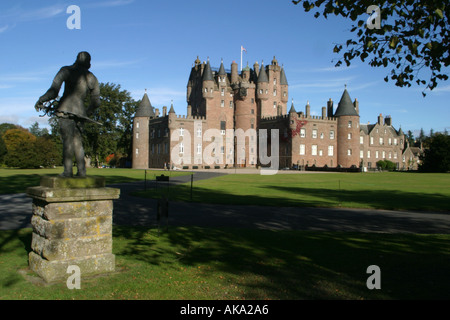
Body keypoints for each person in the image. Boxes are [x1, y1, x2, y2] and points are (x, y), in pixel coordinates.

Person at [35, 52, 101, 177]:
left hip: (65, 109)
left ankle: (68, 171)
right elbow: (96, 102)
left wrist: (41, 99)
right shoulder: (92, 78)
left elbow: (54, 91)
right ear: (88, 62)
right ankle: (82, 171)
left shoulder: (66, 70)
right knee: (78, 142)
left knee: (67, 141)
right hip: (80, 112)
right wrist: (87, 112)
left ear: (76, 59)